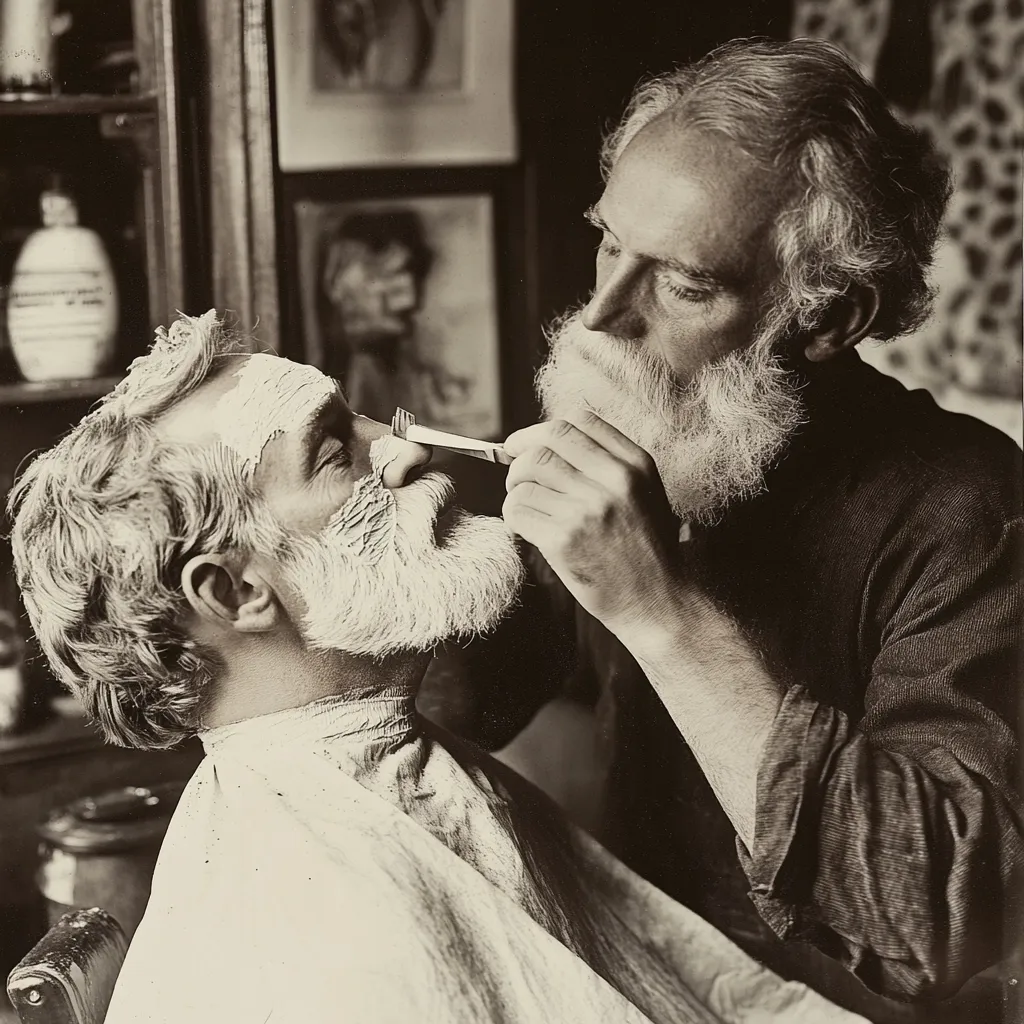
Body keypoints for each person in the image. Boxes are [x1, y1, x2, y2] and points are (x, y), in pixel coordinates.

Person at [8, 310, 861, 1023]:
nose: (407, 447)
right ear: (233, 592)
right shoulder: (322, 947)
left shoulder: (374, 758)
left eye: (363, 417)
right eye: (336, 450)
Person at [453, 37, 1023, 1024]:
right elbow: (473, 704)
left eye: (682, 282)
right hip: (644, 986)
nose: (597, 318)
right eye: (606, 244)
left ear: (827, 316)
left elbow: (932, 918)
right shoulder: (658, 427)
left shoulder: (971, 508)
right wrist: (403, 552)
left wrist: (661, 609)